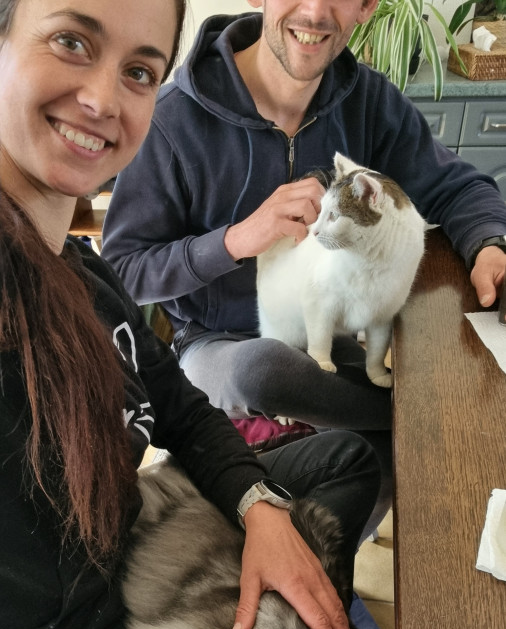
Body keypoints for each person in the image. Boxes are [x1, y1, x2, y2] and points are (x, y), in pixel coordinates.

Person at [0, 0, 393, 629]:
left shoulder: (81, 271)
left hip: (141, 565)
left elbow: (181, 408)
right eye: (71, 41)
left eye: (140, 70)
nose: (104, 97)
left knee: (342, 462)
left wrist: (259, 513)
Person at [101, 0, 506, 539]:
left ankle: (329, 564)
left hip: (327, 330)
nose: (314, 10)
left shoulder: (369, 102)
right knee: (263, 370)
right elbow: (121, 271)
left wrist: (489, 244)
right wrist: (235, 241)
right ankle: (432, 417)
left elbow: (457, 186)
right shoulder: (172, 118)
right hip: (213, 346)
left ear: (366, 7)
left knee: (386, 455)